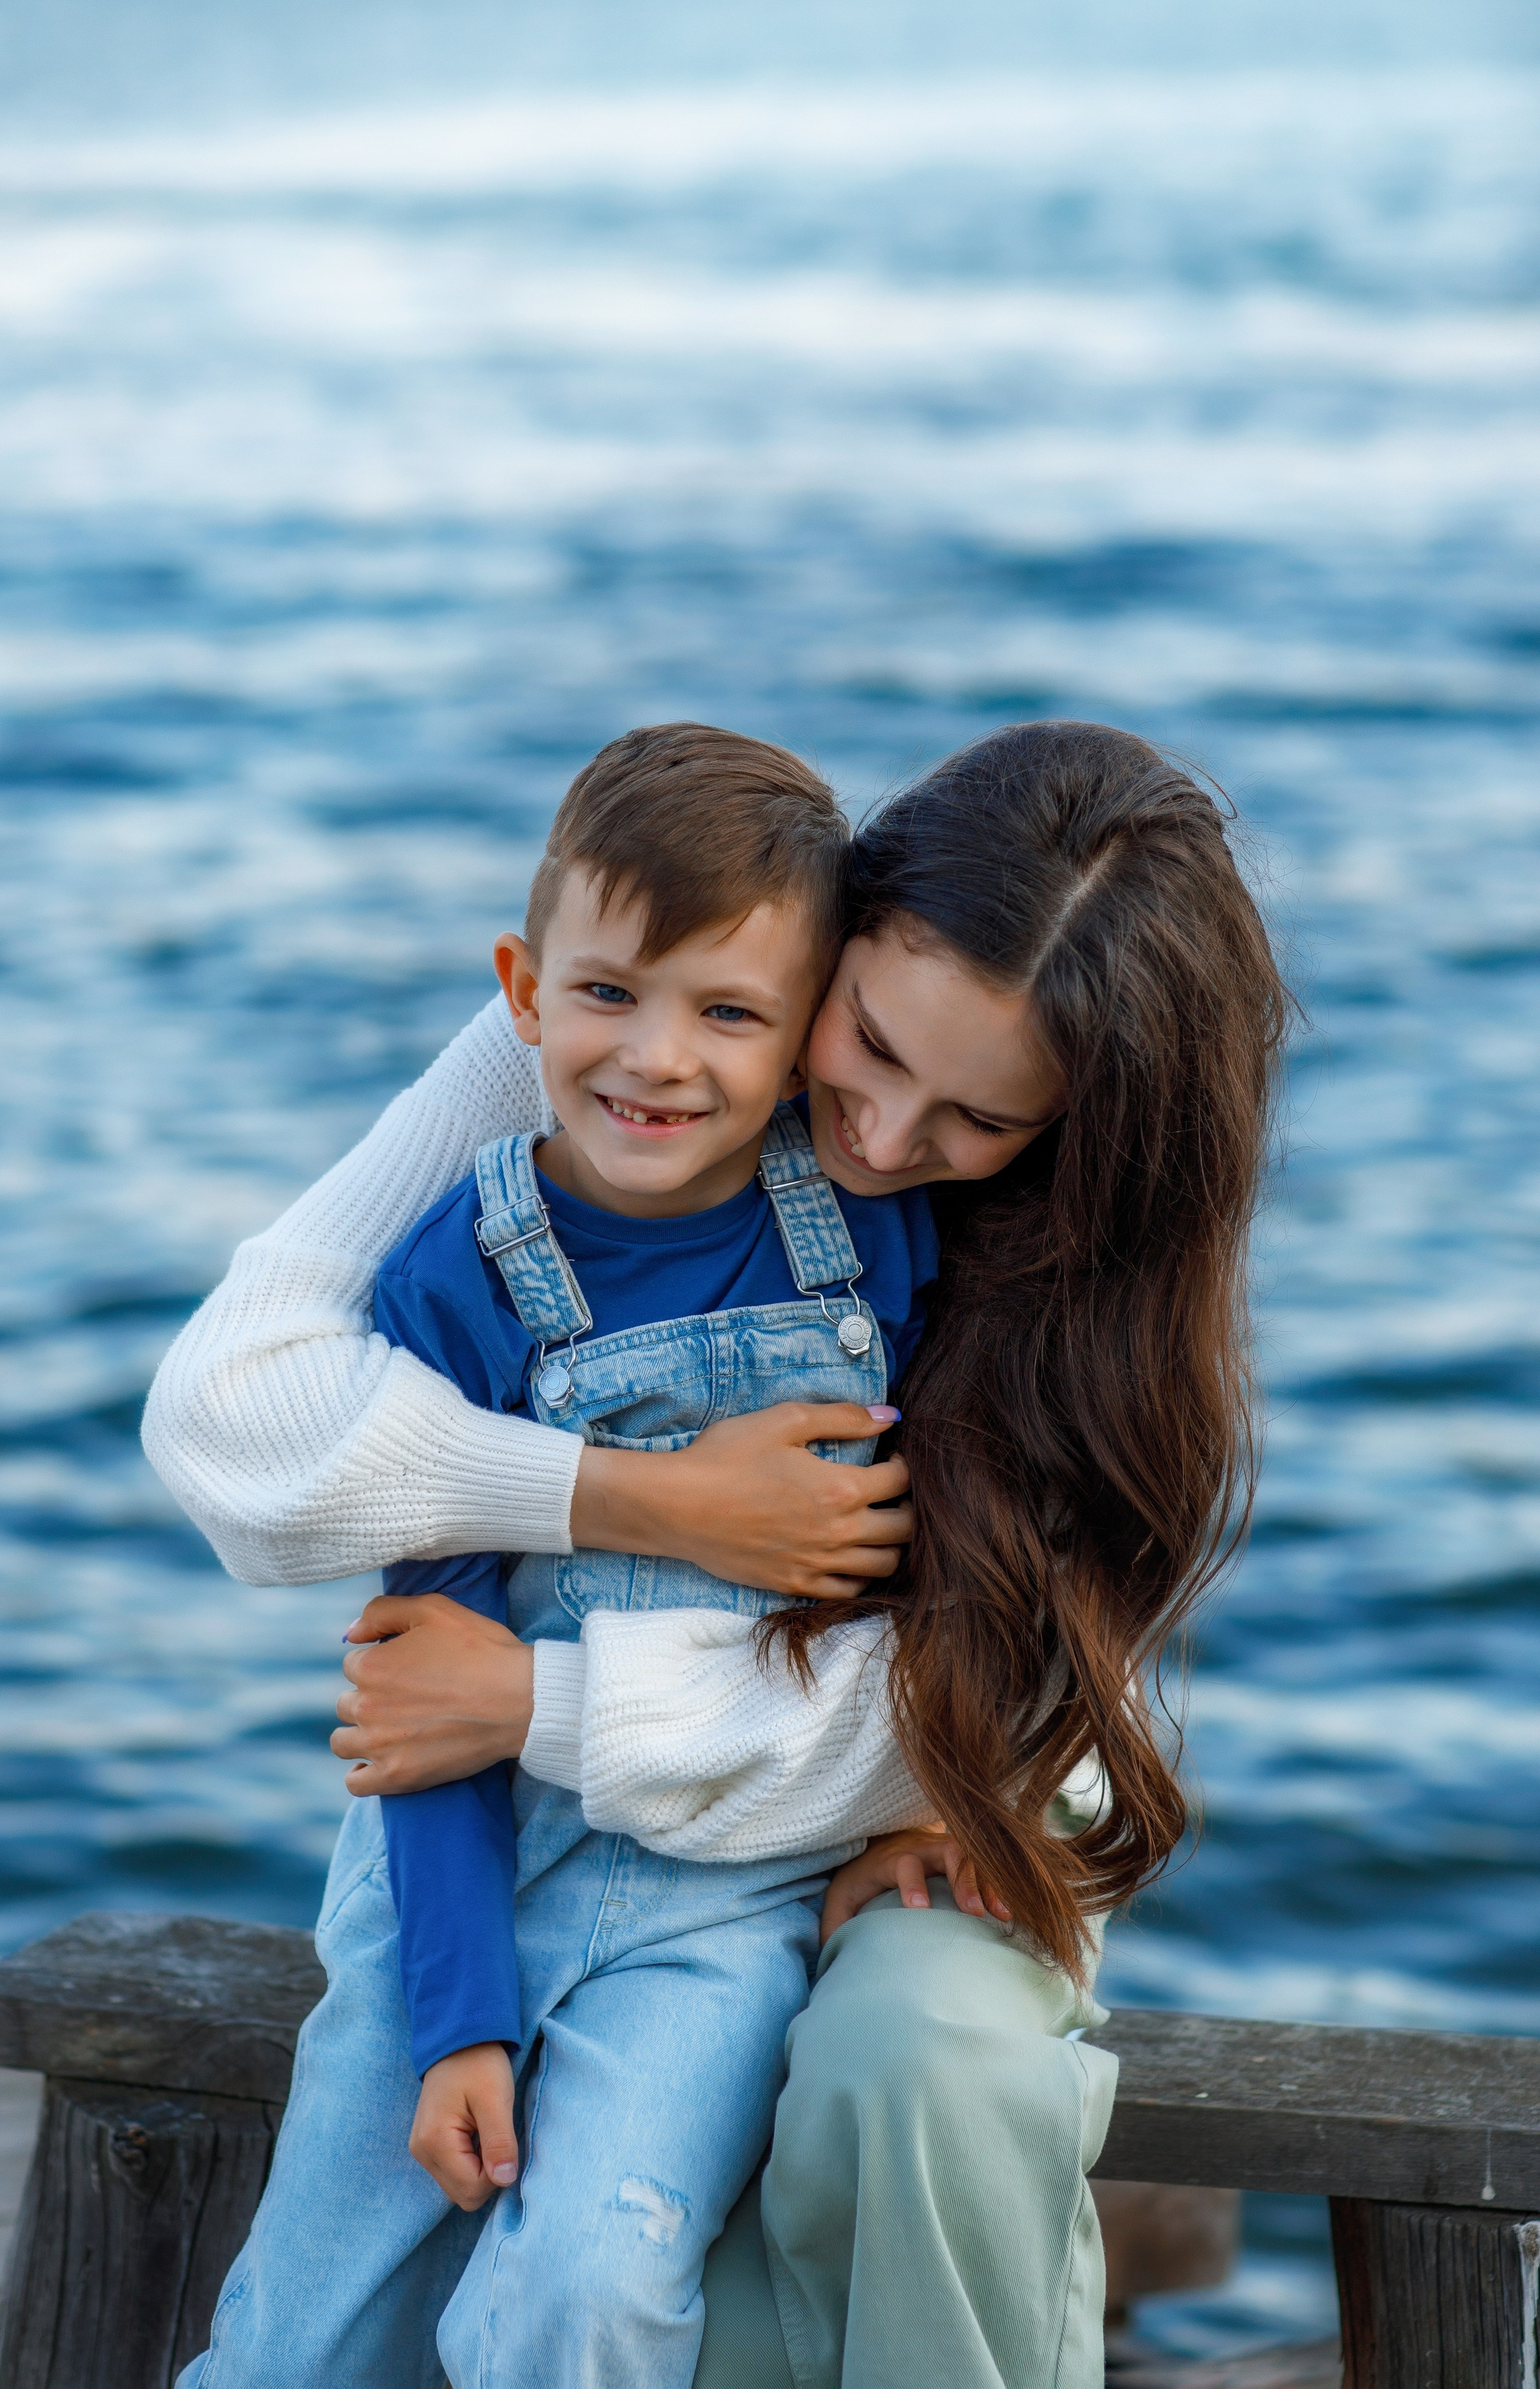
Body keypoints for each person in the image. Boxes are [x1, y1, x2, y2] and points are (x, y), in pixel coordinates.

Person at [146, 719, 1287, 2388]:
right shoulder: (626, 1025)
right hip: (563, 1822)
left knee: (891, 2073)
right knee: (340, 2311)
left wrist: (541, 1700)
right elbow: (230, 1427)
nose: (887, 1139)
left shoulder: (1046, 1277)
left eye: (977, 1119)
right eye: (871, 1046)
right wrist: (634, 1498)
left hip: (894, 1815)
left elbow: (985, 1696)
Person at [174, 725, 944, 2389]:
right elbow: (423, 1680)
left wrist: (965, 1784)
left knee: (578, 2298)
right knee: (299, 2340)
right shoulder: (461, 1269)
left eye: (730, 1012)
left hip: (720, 1903)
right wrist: (456, 2012)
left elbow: (970, 1563)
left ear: (808, 1032)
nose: (658, 1059)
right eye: (610, 995)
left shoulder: (878, 1240)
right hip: (458, 1878)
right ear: (522, 989)